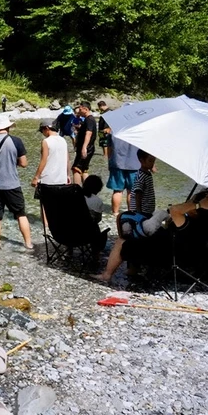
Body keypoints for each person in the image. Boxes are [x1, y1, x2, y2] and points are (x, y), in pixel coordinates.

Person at [92, 150, 157, 282]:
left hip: (146, 212)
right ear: (141, 160)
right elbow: (137, 193)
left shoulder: (147, 174)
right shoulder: (141, 175)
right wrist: (138, 212)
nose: (152, 163)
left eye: (154, 161)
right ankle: (131, 267)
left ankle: (133, 268)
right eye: (150, 161)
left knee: (136, 239)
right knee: (132, 237)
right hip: (140, 213)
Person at [0, 118, 33, 250]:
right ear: (8, 128)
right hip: (12, 185)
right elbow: (24, 163)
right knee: (21, 214)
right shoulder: (16, 141)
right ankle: (28, 244)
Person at [107, 136, 141, 216]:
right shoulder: (138, 130)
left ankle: (115, 213)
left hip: (117, 163)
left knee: (117, 191)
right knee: (132, 192)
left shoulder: (114, 131)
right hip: (135, 164)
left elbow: (109, 149)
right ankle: (131, 214)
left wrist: (110, 162)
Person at [71, 102, 97, 186]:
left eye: (80, 109)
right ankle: (87, 191)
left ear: (85, 109)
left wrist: (84, 147)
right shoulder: (89, 119)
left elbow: (89, 133)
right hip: (89, 148)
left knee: (76, 168)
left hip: (86, 147)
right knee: (84, 169)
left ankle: (76, 190)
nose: (79, 111)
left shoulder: (89, 119)